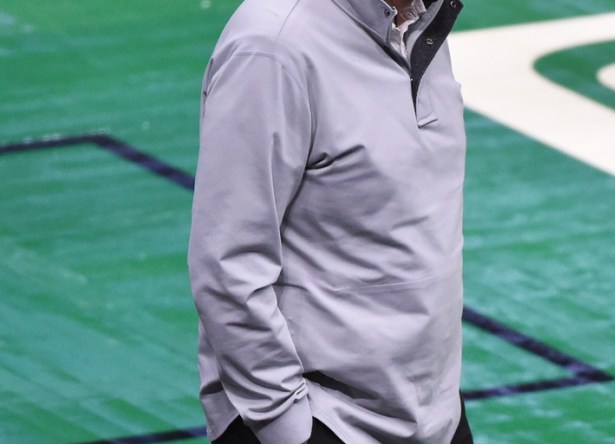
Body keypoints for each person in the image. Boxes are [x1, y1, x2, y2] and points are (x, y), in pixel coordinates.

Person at [188, 0, 471, 442]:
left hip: (434, 418)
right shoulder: (272, 47)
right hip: (321, 420)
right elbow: (227, 265)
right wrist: (285, 426)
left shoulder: (421, 24)